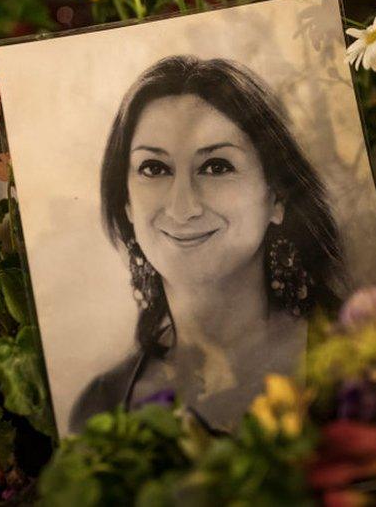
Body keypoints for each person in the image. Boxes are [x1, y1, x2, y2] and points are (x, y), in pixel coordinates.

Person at [69, 55, 345, 432]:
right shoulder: (101, 408)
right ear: (126, 202)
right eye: (155, 168)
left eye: (217, 166)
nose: (183, 208)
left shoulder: (359, 359)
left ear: (277, 197)